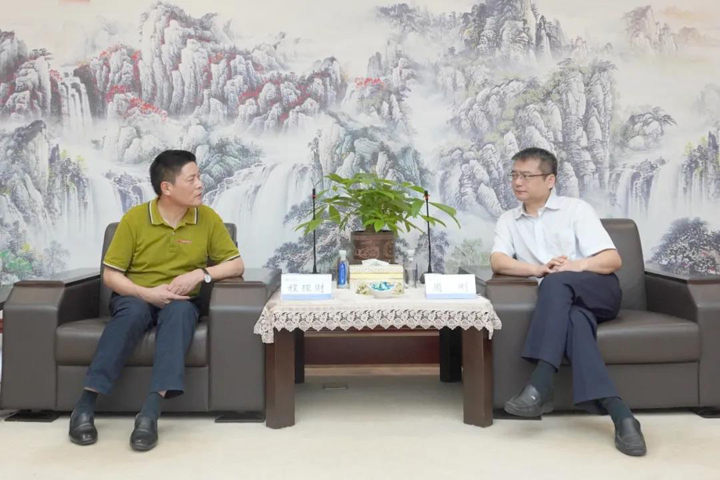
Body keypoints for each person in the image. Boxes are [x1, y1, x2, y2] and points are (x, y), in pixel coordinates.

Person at [68, 150, 244, 451]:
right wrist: (145, 293)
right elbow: (111, 276)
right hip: (136, 295)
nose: (200, 184)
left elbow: (236, 265)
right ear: (167, 188)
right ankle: (84, 405)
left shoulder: (207, 218)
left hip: (181, 300)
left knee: (180, 313)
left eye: (199, 176)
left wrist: (200, 274)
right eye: (192, 179)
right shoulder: (135, 219)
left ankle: (149, 413)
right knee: (132, 313)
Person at [490, 147, 647, 456]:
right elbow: (498, 260)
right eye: (514, 175)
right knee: (574, 317)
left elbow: (612, 260)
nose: (517, 182)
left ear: (550, 180)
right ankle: (621, 415)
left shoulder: (576, 210)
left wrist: (574, 266)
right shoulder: (509, 220)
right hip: (562, 304)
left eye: (526, 175)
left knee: (557, 280)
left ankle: (541, 382)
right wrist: (539, 269)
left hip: (599, 291)